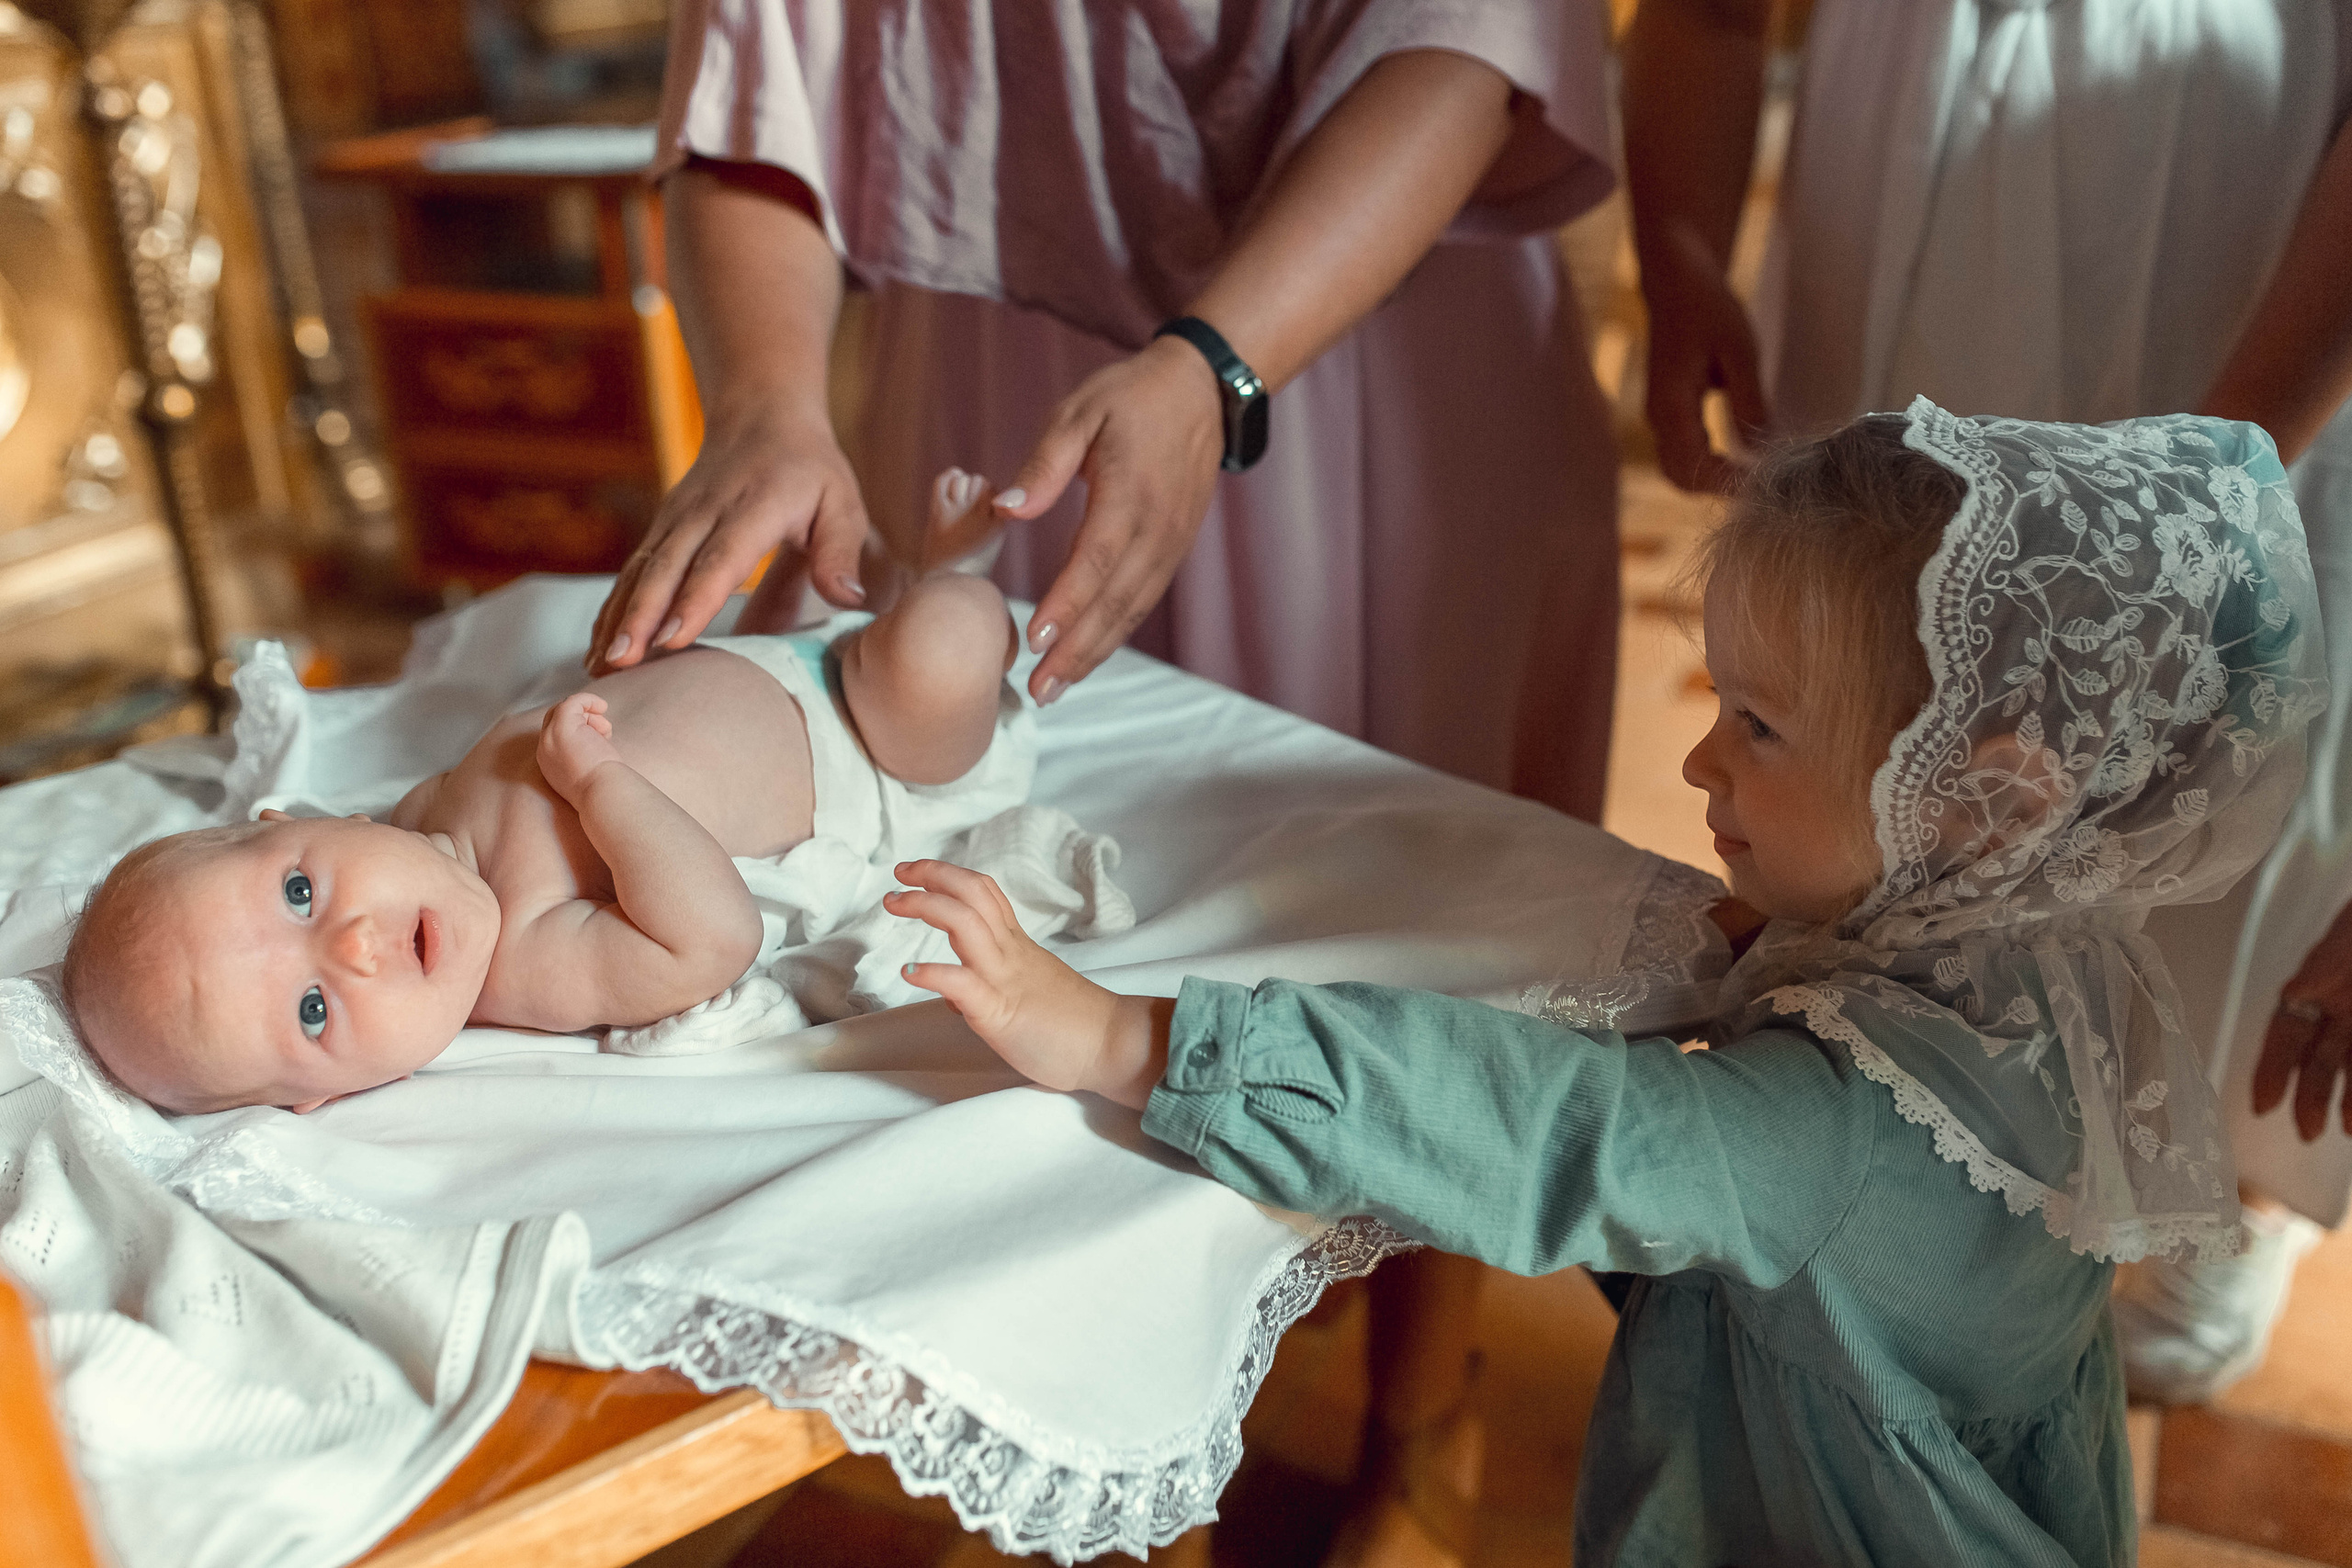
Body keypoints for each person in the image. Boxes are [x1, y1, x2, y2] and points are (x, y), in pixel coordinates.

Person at [887, 403, 2326, 1565]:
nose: (1702, 763)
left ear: (1983, 803)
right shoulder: (2053, 949)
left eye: (1758, 724)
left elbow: (1557, 1128)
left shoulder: (1833, 1132)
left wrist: (1138, 1037)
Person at [601, 10, 1624, 1562]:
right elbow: (763, 71)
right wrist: (763, 393)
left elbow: (1467, 35)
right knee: (1002, 905)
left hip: (1375, 317)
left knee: (1409, 899)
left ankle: (1428, 1399)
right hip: (996, 352)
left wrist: (1219, 363)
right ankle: (1082, 1429)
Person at [1624, 0, 2352, 1403]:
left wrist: (2209, 489)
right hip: (1904, 142)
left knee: (2188, 710)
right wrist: (1685, 247)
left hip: (2237, 178)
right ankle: (1868, 1104)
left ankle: (2216, 1170)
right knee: (1871, 691)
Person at [62, 475, 1030, 1113]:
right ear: (318, 1099)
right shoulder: (523, 962)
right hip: (872, 752)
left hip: (767, 656)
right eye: (313, 1010)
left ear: (289, 824)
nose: (354, 945)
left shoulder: (420, 816)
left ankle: (901, 585)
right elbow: (710, 939)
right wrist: (600, 784)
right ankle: (948, 579)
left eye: (300, 894)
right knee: (938, 643)